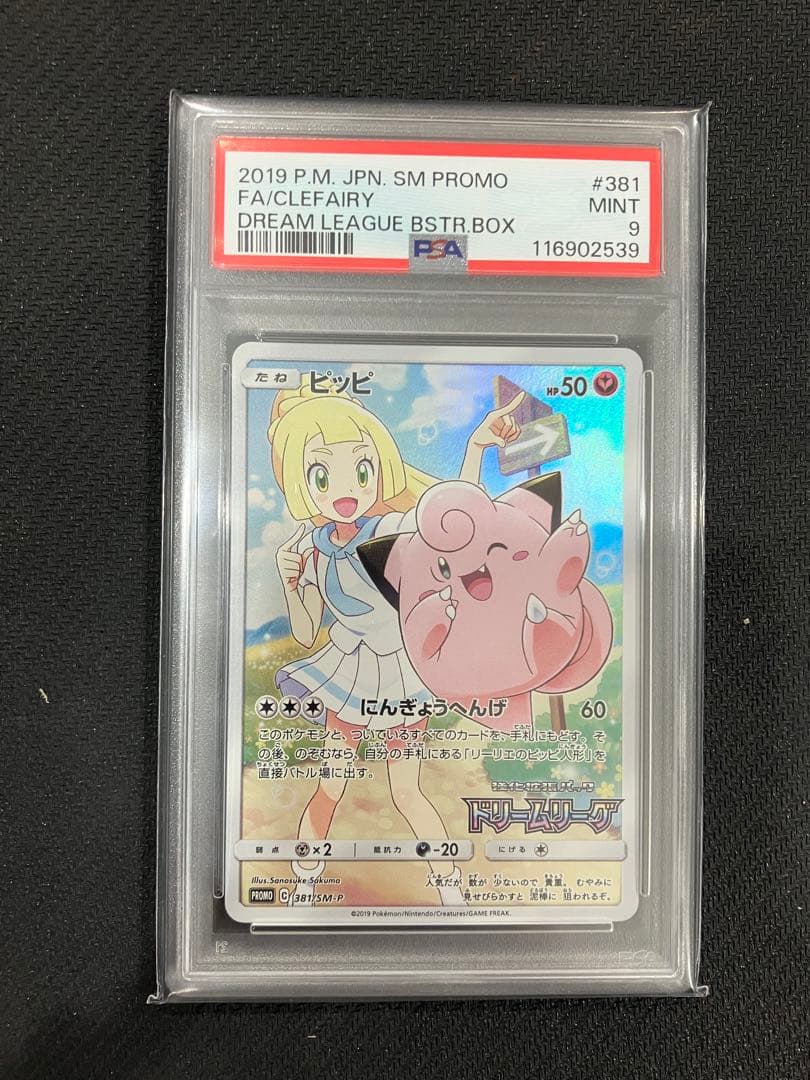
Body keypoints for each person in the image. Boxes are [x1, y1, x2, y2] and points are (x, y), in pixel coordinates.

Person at [267, 381, 522, 905]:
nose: (345, 489)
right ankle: (303, 886)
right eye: (322, 475)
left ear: (379, 468)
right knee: (331, 782)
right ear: (301, 482)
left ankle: (449, 890)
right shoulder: (311, 548)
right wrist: (291, 582)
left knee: (405, 790)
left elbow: (454, 522)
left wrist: (474, 448)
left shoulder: (392, 528)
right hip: (350, 675)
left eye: (361, 470)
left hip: (402, 676)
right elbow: (306, 631)